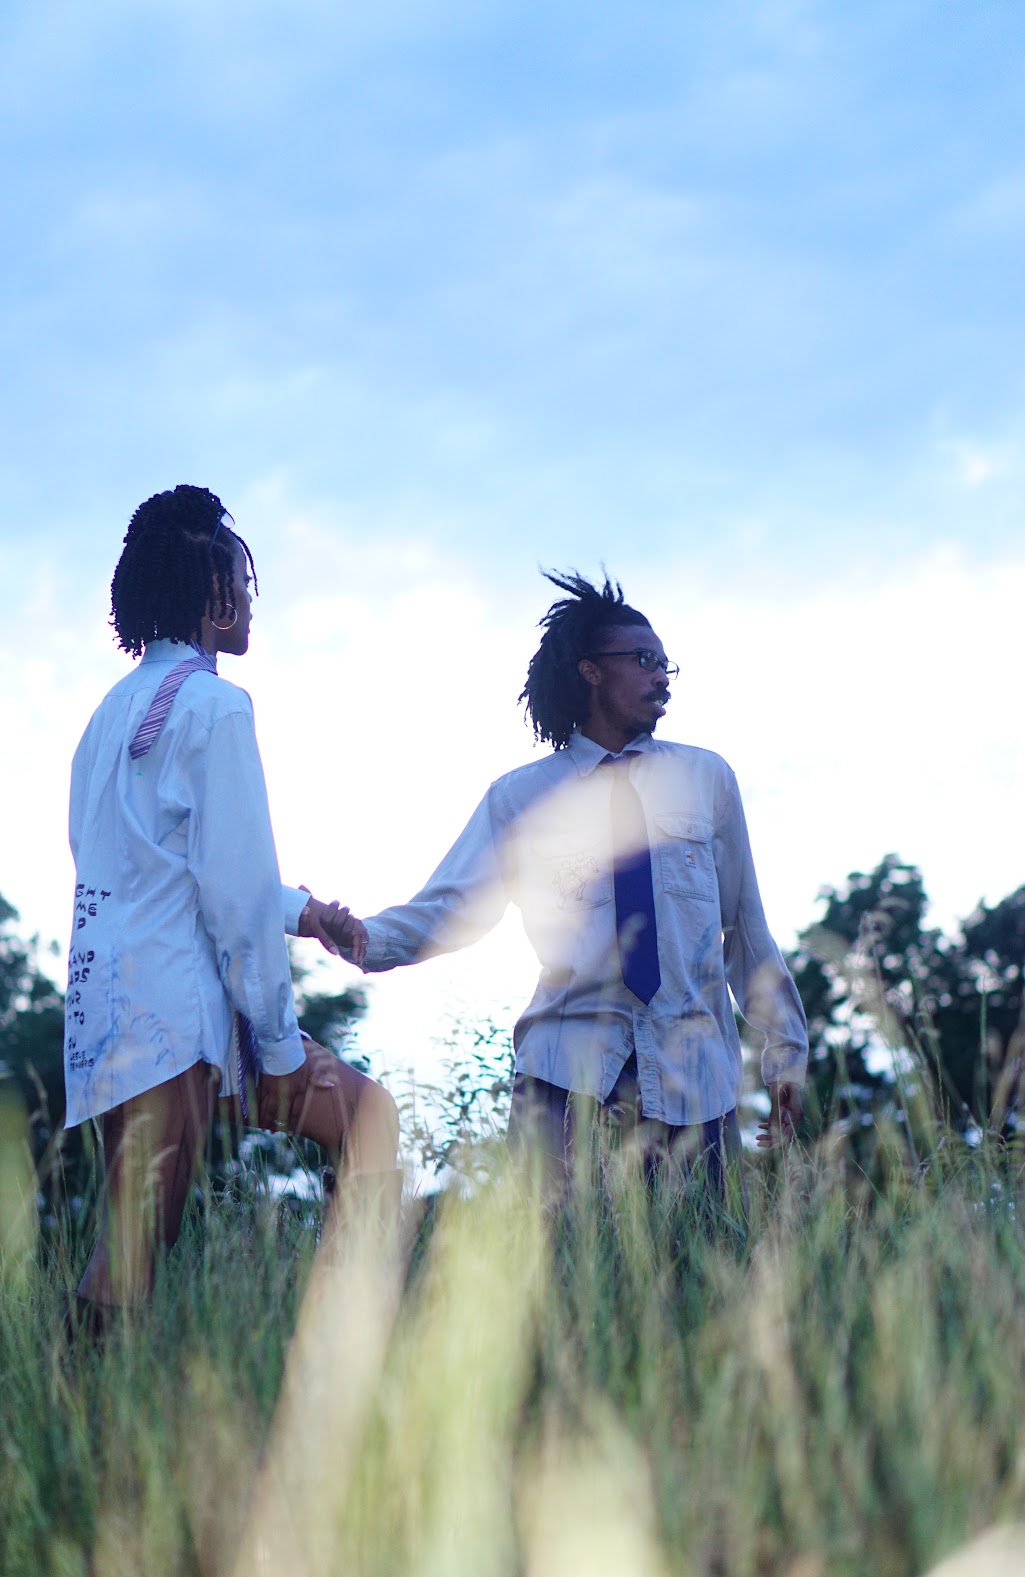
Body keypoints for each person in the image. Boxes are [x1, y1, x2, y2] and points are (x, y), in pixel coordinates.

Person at [329, 571, 807, 1193]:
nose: (661, 676)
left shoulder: (706, 779)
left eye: (667, 664)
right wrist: (362, 936)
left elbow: (745, 929)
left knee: (696, 1271)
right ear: (590, 671)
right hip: (562, 1074)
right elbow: (450, 909)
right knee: (555, 1272)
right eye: (643, 660)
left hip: (695, 1081)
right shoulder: (521, 796)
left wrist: (785, 1053)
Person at [64, 484, 399, 1326]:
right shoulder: (217, 706)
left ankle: (335, 1344)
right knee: (137, 1251)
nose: (252, 601)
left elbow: (164, 867)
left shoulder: (107, 716)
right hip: (179, 1014)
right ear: (215, 598)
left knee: (138, 1242)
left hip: (112, 1008)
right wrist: (280, 1046)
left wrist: (302, 910)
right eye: (244, 587)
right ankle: (333, 1349)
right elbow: (234, 897)